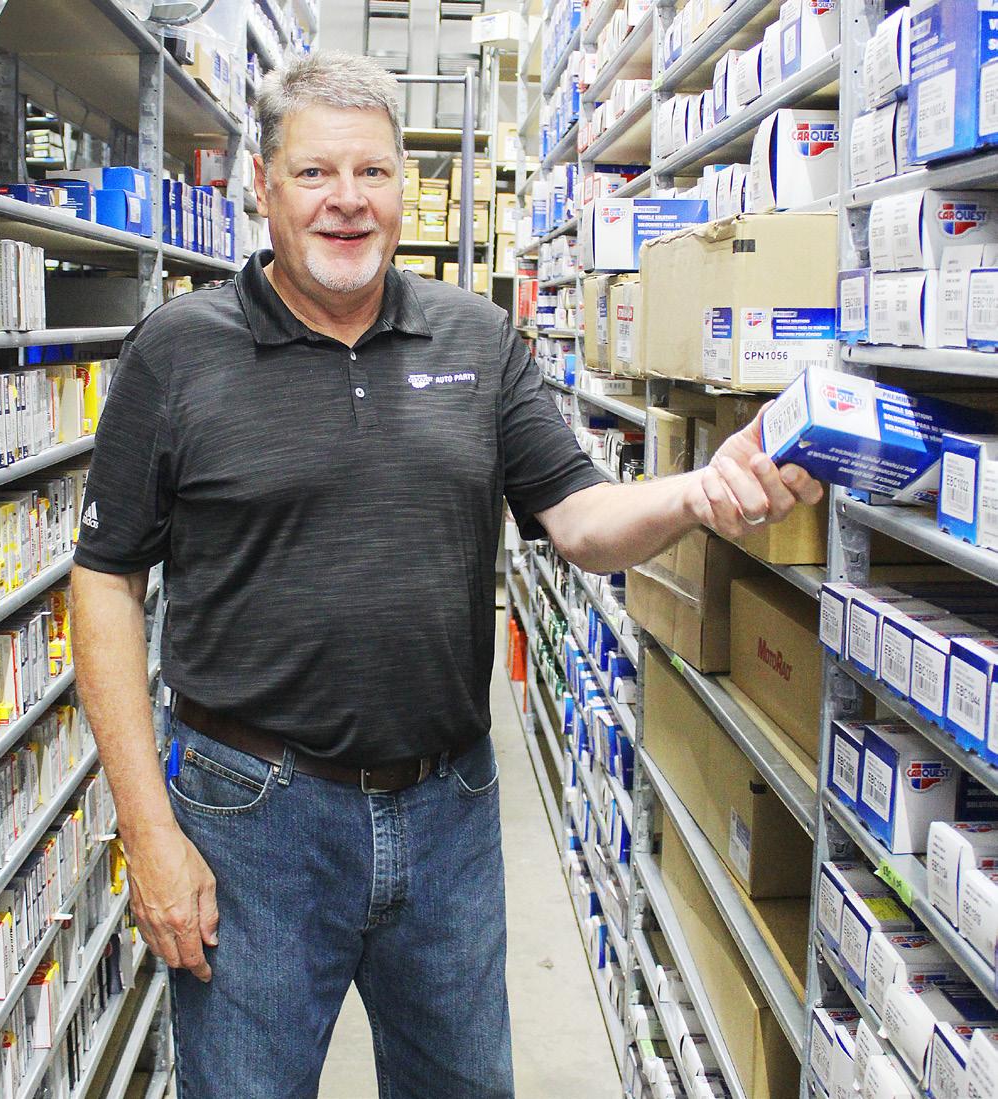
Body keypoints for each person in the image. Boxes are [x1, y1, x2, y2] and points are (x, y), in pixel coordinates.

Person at [70, 49, 822, 1099]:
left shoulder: (476, 335)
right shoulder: (177, 351)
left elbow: (578, 519)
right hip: (252, 818)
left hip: (448, 807)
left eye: (373, 172)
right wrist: (149, 832)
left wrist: (695, 491)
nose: (347, 200)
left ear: (402, 186)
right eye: (315, 173)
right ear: (262, 187)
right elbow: (103, 582)